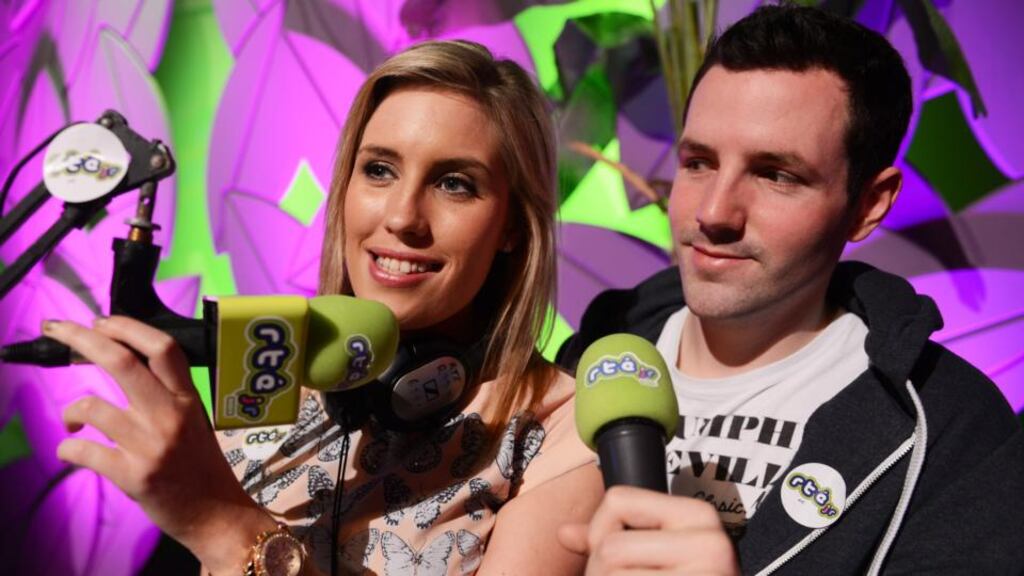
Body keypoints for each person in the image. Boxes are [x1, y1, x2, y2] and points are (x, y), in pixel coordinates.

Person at [43, 40, 603, 576]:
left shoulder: (564, 431)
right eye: (379, 170)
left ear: (512, 226)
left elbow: (219, 534)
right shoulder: (271, 357)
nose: (402, 217)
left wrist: (220, 522)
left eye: (454, 184)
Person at [556, 4, 1024, 575]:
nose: (714, 212)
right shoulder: (586, 361)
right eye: (698, 162)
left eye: (776, 175)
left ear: (868, 205)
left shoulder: (954, 429)